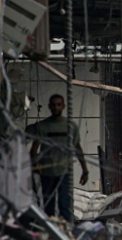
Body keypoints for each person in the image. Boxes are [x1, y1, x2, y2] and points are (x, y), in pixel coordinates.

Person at [28, 94, 89, 225]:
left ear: (63, 106)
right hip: (47, 173)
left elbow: (78, 149)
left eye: (58, 104)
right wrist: (36, 164)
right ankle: (51, 235)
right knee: (48, 208)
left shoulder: (71, 127)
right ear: (49, 106)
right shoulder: (42, 126)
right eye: (53, 105)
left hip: (64, 173)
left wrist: (85, 171)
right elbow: (33, 150)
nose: (56, 107)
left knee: (65, 206)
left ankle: (66, 235)